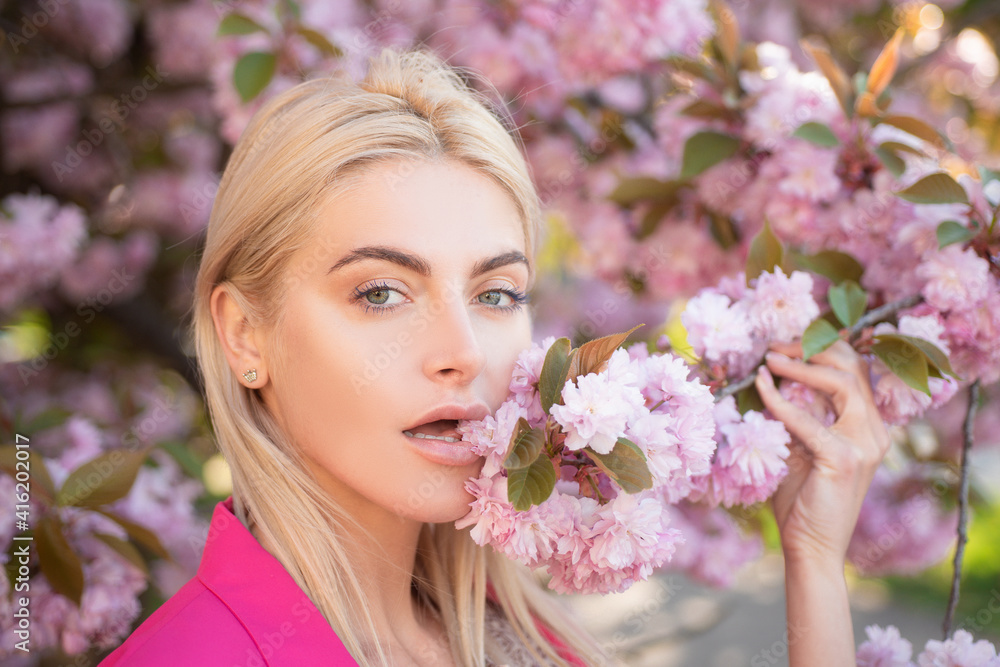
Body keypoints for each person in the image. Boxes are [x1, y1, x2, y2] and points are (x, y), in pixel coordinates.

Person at [100, 45, 890, 666]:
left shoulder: (527, 642)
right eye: (381, 292)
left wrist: (815, 563)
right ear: (245, 334)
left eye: (497, 294)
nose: (462, 352)